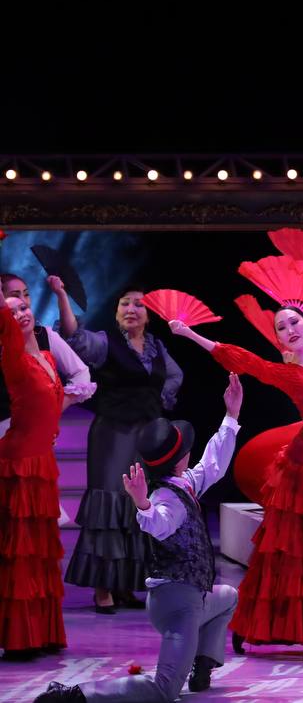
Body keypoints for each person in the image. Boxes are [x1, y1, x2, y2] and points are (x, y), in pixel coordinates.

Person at [169, 307, 303, 660]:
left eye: (294, 322)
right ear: (278, 338)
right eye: (281, 327)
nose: (290, 329)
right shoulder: (290, 374)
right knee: (286, 555)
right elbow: (247, 361)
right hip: (299, 473)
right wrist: (190, 335)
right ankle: (251, 627)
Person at [36, 375, 243, 702]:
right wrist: (143, 504)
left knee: (228, 595)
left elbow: (212, 464)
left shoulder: (184, 483)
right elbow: (158, 524)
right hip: (177, 606)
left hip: (191, 596)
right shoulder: (166, 498)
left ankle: (202, 663)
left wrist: (231, 415)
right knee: (164, 690)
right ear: (180, 458)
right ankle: (75, 695)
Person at [55, 280, 183, 614]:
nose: (131, 309)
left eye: (139, 304)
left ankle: (125, 583)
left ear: (148, 315)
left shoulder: (156, 348)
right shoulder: (104, 343)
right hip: (112, 435)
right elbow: (73, 336)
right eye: (125, 303)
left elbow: (175, 376)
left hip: (145, 437)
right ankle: (103, 587)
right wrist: (61, 295)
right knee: (110, 503)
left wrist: (157, 400)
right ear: (116, 312)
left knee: (136, 505)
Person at [0, 296, 88, 661]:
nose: (19, 314)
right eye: (10, 312)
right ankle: (19, 638)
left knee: (40, 553)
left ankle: (44, 633)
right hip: (18, 465)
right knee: (21, 554)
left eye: (23, 308)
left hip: (41, 464)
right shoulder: (13, 361)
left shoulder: (48, 357)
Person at [0, 274, 93, 439]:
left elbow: (81, 373)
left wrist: (53, 410)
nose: (23, 301)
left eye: (26, 294)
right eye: (15, 295)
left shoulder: (44, 337)